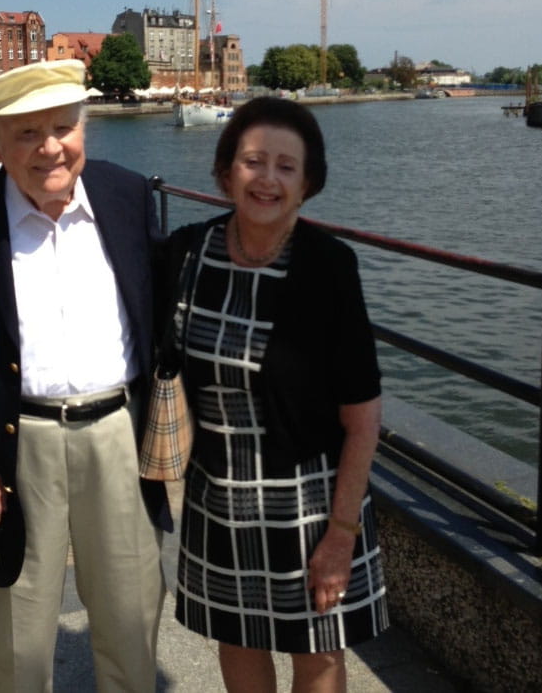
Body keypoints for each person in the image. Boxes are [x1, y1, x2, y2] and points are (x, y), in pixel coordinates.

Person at [0, 59, 169, 692]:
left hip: (118, 439)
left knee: (132, 622)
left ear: (84, 129)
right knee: (14, 645)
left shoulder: (127, 197)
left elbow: (165, 307)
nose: (50, 149)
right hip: (10, 453)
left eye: (63, 128)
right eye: (26, 133)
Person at [156, 96, 388, 692]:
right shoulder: (186, 254)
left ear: (308, 183)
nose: (268, 179)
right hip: (217, 495)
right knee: (237, 640)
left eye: (287, 167)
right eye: (254, 161)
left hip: (309, 500)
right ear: (226, 169)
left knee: (316, 650)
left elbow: (362, 420)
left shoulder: (330, 267)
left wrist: (341, 535)